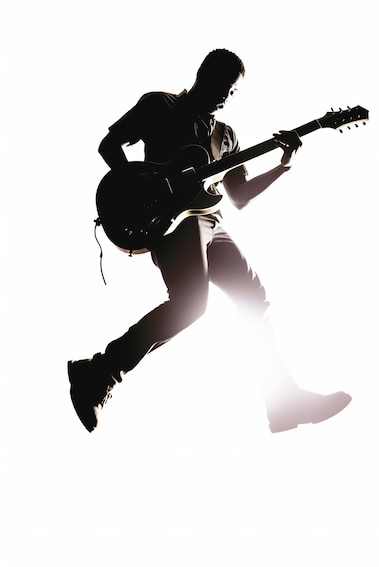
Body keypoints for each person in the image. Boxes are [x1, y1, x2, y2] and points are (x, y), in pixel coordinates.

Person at [68, 49, 351, 433]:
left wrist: (283, 165)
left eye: (231, 92)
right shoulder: (160, 106)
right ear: (201, 74)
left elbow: (240, 196)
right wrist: (149, 187)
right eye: (220, 85)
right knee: (191, 307)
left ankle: (283, 402)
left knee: (253, 297)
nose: (224, 96)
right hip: (174, 222)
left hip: (211, 222)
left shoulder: (227, 137)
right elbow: (109, 145)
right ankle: (101, 372)